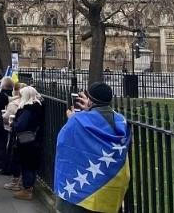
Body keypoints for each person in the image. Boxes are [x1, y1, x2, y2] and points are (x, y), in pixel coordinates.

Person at [55, 83, 130, 213]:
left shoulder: (78, 120)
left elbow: (63, 144)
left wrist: (71, 119)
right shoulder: (121, 120)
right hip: (112, 183)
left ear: (89, 100)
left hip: (82, 191)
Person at [12, 86, 44, 201]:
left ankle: (27, 189)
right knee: (32, 165)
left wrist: (13, 124)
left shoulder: (27, 110)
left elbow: (20, 126)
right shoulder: (38, 107)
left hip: (26, 142)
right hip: (35, 141)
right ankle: (29, 187)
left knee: (27, 165)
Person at [1, 82, 27, 189]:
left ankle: (16, 181)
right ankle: (19, 181)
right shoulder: (28, 104)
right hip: (26, 135)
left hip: (13, 132)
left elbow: (7, 117)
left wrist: (3, 115)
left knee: (15, 156)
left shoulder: (14, 104)